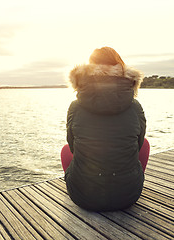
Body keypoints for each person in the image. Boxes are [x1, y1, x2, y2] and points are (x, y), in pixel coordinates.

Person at [61, 47, 149, 211]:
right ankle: (128, 182)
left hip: (83, 197)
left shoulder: (75, 107)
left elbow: (72, 146)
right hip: (128, 196)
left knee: (66, 150)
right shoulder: (135, 106)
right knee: (145, 144)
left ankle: (82, 182)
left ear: (88, 70)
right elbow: (138, 144)